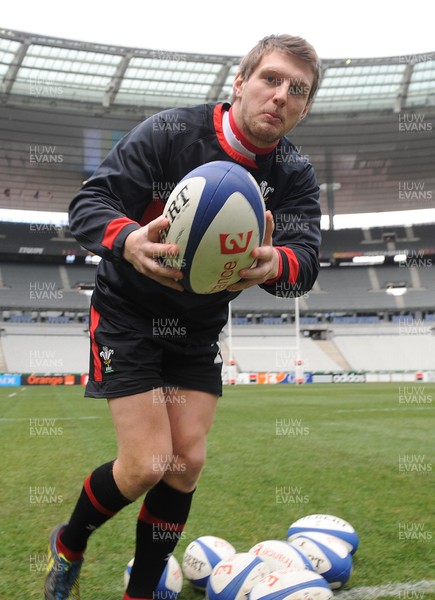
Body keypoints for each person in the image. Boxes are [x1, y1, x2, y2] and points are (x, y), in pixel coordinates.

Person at [45, 33, 322, 600]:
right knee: (148, 463)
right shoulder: (171, 132)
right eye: (270, 79)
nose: (281, 97)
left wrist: (275, 262)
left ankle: (140, 593)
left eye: (298, 90)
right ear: (240, 83)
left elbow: (306, 262)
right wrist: (128, 241)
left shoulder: (294, 173)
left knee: (186, 462)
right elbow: (89, 204)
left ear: (304, 106)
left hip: (197, 326)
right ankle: (70, 542)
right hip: (128, 310)